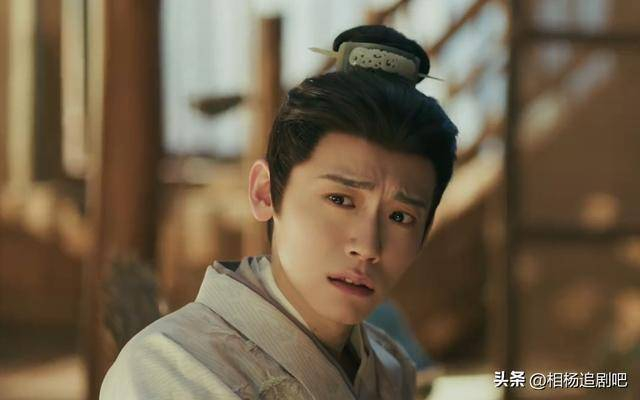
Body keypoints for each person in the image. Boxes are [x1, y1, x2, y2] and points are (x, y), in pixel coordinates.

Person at [100, 25, 458, 399]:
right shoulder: (168, 369)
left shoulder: (390, 368)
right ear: (265, 192)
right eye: (340, 199)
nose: (368, 246)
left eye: (400, 217)